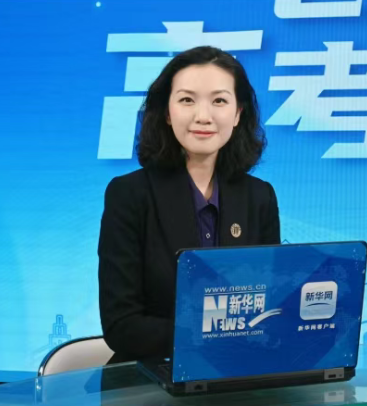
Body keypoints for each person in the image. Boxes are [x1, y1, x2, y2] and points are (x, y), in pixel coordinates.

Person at [98, 46, 281, 364]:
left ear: (238, 114)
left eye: (219, 101)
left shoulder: (259, 197)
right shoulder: (129, 194)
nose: (203, 116)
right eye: (187, 100)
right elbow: (121, 325)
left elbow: (269, 305)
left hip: (240, 374)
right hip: (153, 375)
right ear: (167, 113)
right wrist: (215, 336)